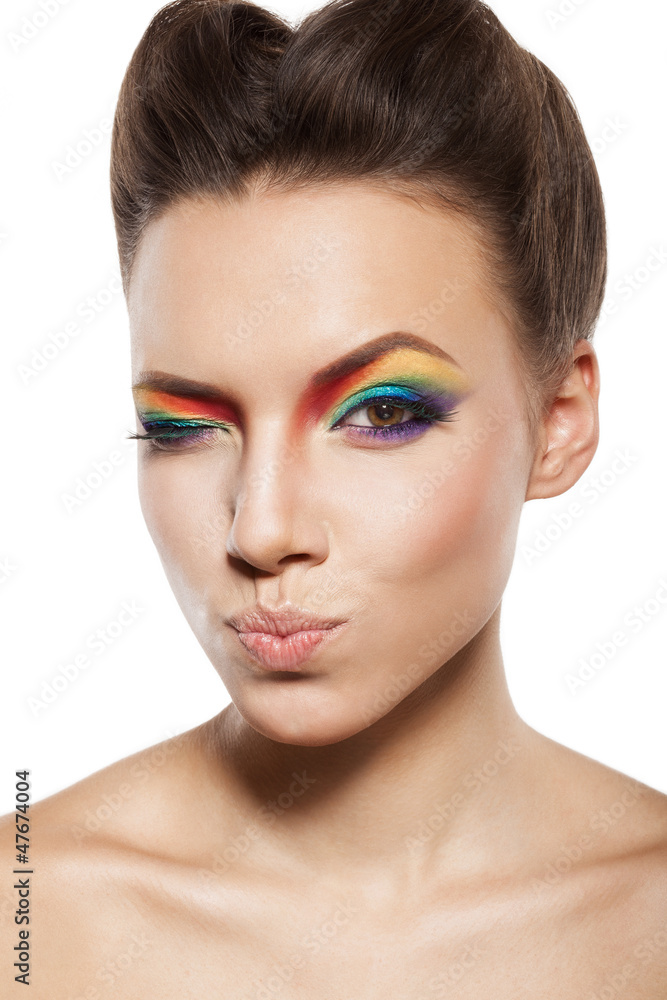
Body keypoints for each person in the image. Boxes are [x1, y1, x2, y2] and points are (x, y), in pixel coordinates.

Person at [5, 0, 667, 995]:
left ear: (559, 422)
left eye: (382, 412)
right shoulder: (24, 912)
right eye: (184, 426)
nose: (260, 529)